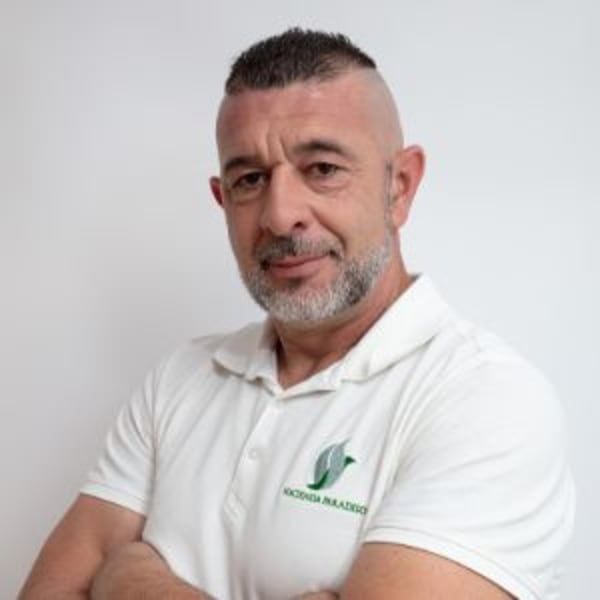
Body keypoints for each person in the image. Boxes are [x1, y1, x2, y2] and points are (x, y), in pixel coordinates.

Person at [20, 28, 575, 600]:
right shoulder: (181, 378)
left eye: (323, 169)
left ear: (400, 187)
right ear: (222, 199)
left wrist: (130, 579)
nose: (281, 215)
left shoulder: (486, 401)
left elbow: (102, 574)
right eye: (250, 180)